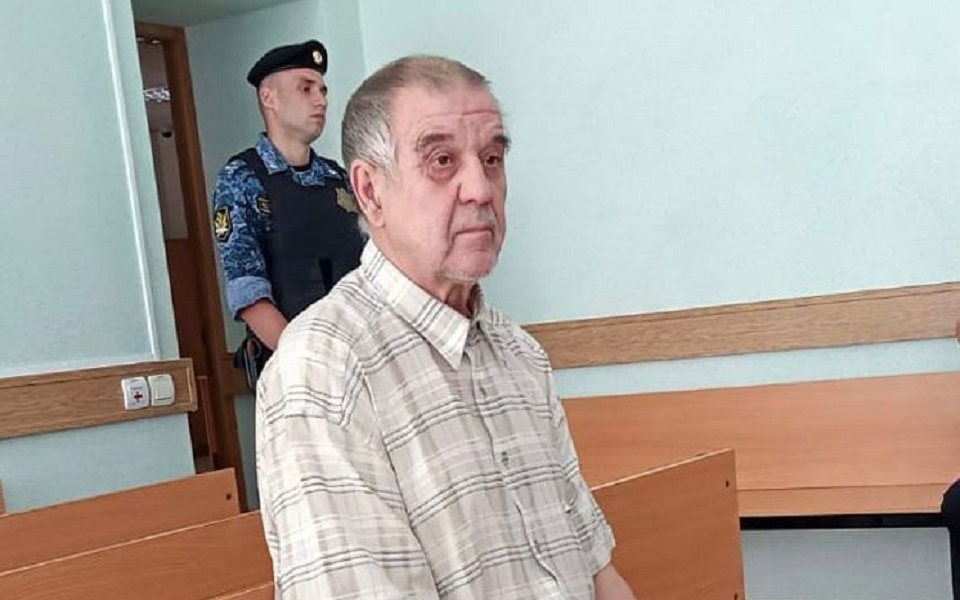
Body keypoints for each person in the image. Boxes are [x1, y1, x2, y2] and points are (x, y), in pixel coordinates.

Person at [255, 55, 636, 599]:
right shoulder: (324, 371)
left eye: (492, 159)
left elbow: (597, 572)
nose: (480, 189)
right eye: (441, 161)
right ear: (370, 192)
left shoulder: (520, 355)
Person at [211, 39, 364, 387]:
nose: (321, 100)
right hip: (298, 372)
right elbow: (248, 292)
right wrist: (309, 364)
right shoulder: (242, 178)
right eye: (306, 88)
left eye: (323, 90)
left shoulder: (337, 177)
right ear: (270, 98)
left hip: (362, 356)